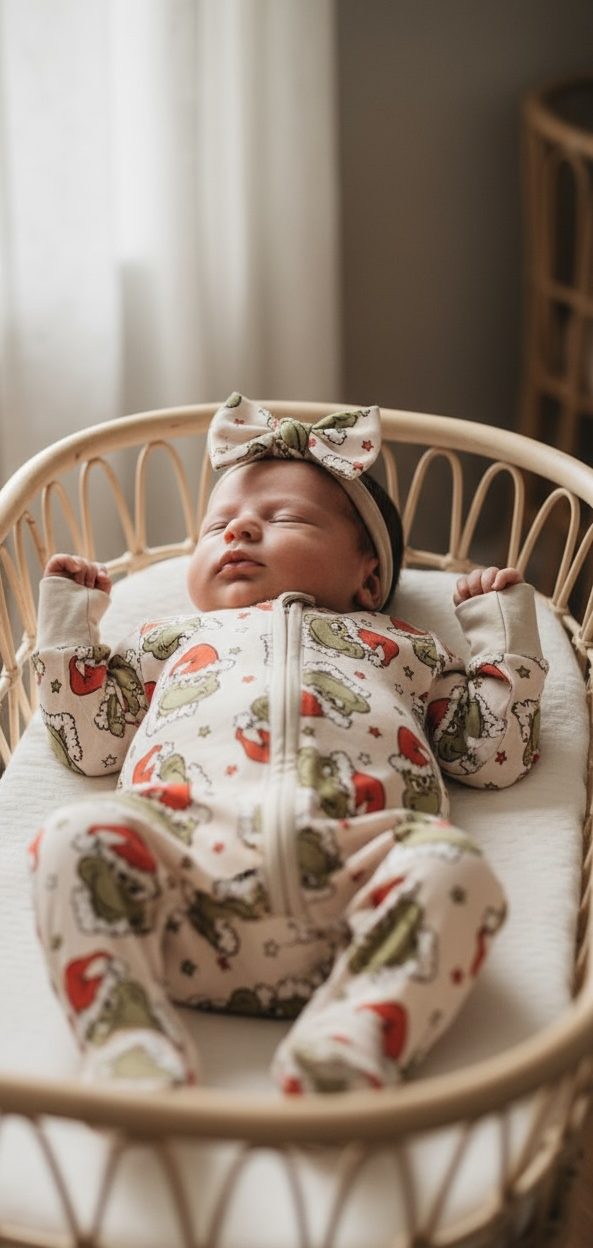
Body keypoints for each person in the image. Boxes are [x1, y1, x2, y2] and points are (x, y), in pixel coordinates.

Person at [28, 393, 546, 1094]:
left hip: (358, 884)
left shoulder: (407, 647)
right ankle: (129, 1036)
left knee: (457, 869)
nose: (239, 530)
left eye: (285, 519)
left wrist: (502, 634)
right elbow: (88, 741)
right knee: (74, 837)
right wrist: (68, 628)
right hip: (183, 896)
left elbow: (491, 753)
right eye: (218, 527)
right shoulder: (165, 640)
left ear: (369, 579)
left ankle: (355, 1032)